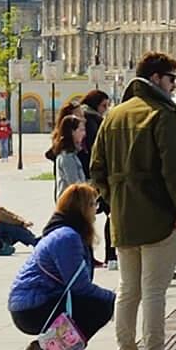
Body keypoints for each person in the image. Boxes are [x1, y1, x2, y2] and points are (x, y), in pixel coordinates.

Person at [86, 52, 176, 350]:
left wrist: (115, 197)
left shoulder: (115, 115)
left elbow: (96, 170)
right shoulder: (162, 115)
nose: (175, 85)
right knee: (153, 291)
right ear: (156, 79)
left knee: (127, 290)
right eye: (172, 79)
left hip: (122, 217)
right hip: (158, 215)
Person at [6, 182, 110, 350]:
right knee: (101, 306)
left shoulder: (64, 231)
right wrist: (115, 298)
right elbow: (80, 286)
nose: (96, 210)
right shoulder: (68, 237)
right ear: (82, 208)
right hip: (31, 308)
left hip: (32, 302)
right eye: (93, 205)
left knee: (95, 303)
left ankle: (43, 349)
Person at [80, 90, 113, 262]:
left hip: (91, 175)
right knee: (109, 213)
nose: (105, 109)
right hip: (93, 176)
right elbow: (97, 149)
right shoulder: (91, 120)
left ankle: (93, 256)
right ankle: (110, 255)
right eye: (103, 106)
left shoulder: (86, 116)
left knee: (89, 216)